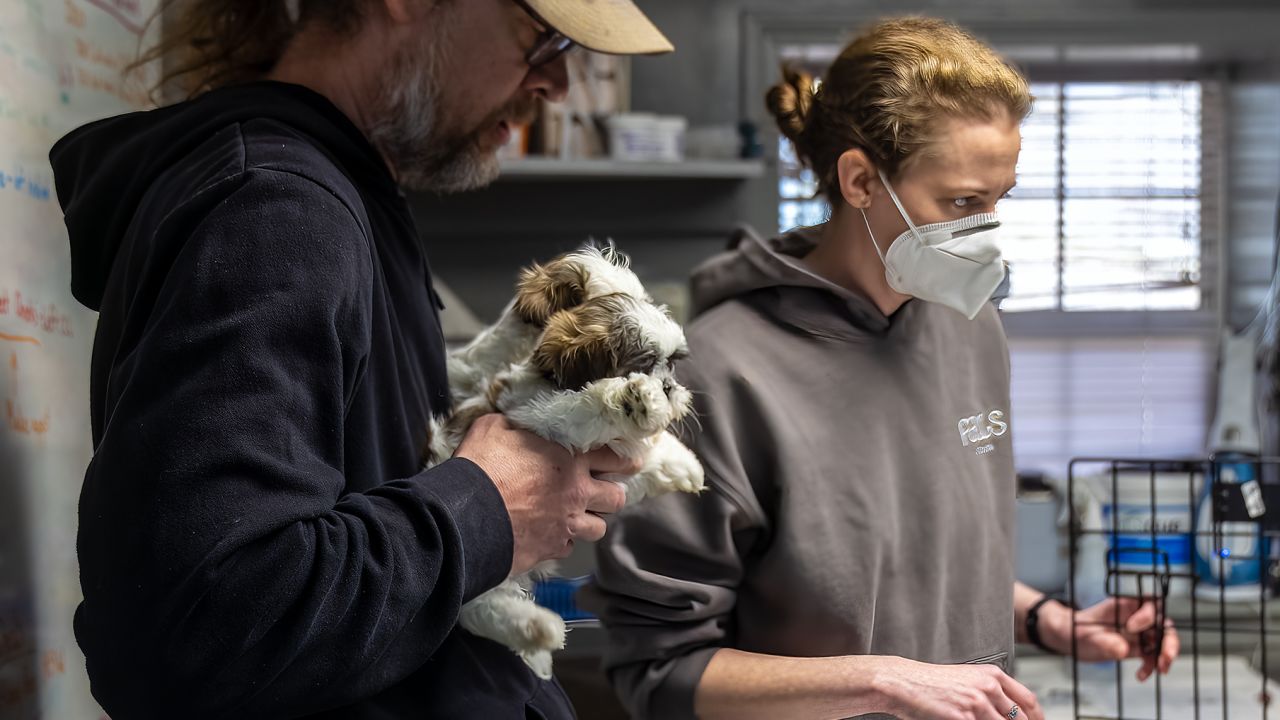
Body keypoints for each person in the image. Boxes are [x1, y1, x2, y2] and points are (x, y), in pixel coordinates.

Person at [49, 0, 673, 717]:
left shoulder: (340, 198)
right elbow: (196, 634)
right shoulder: (277, 210)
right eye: (545, 39)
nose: (559, 83)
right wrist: (488, 508)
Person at [582, 16, 1181, 720]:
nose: (986, 232)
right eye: (962, 202)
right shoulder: (718, 375)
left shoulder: (973, 328)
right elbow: (659, 670)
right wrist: (880, 682)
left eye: (998, 201)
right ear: (862, 180)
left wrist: (1045, 618)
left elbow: (911, 568)